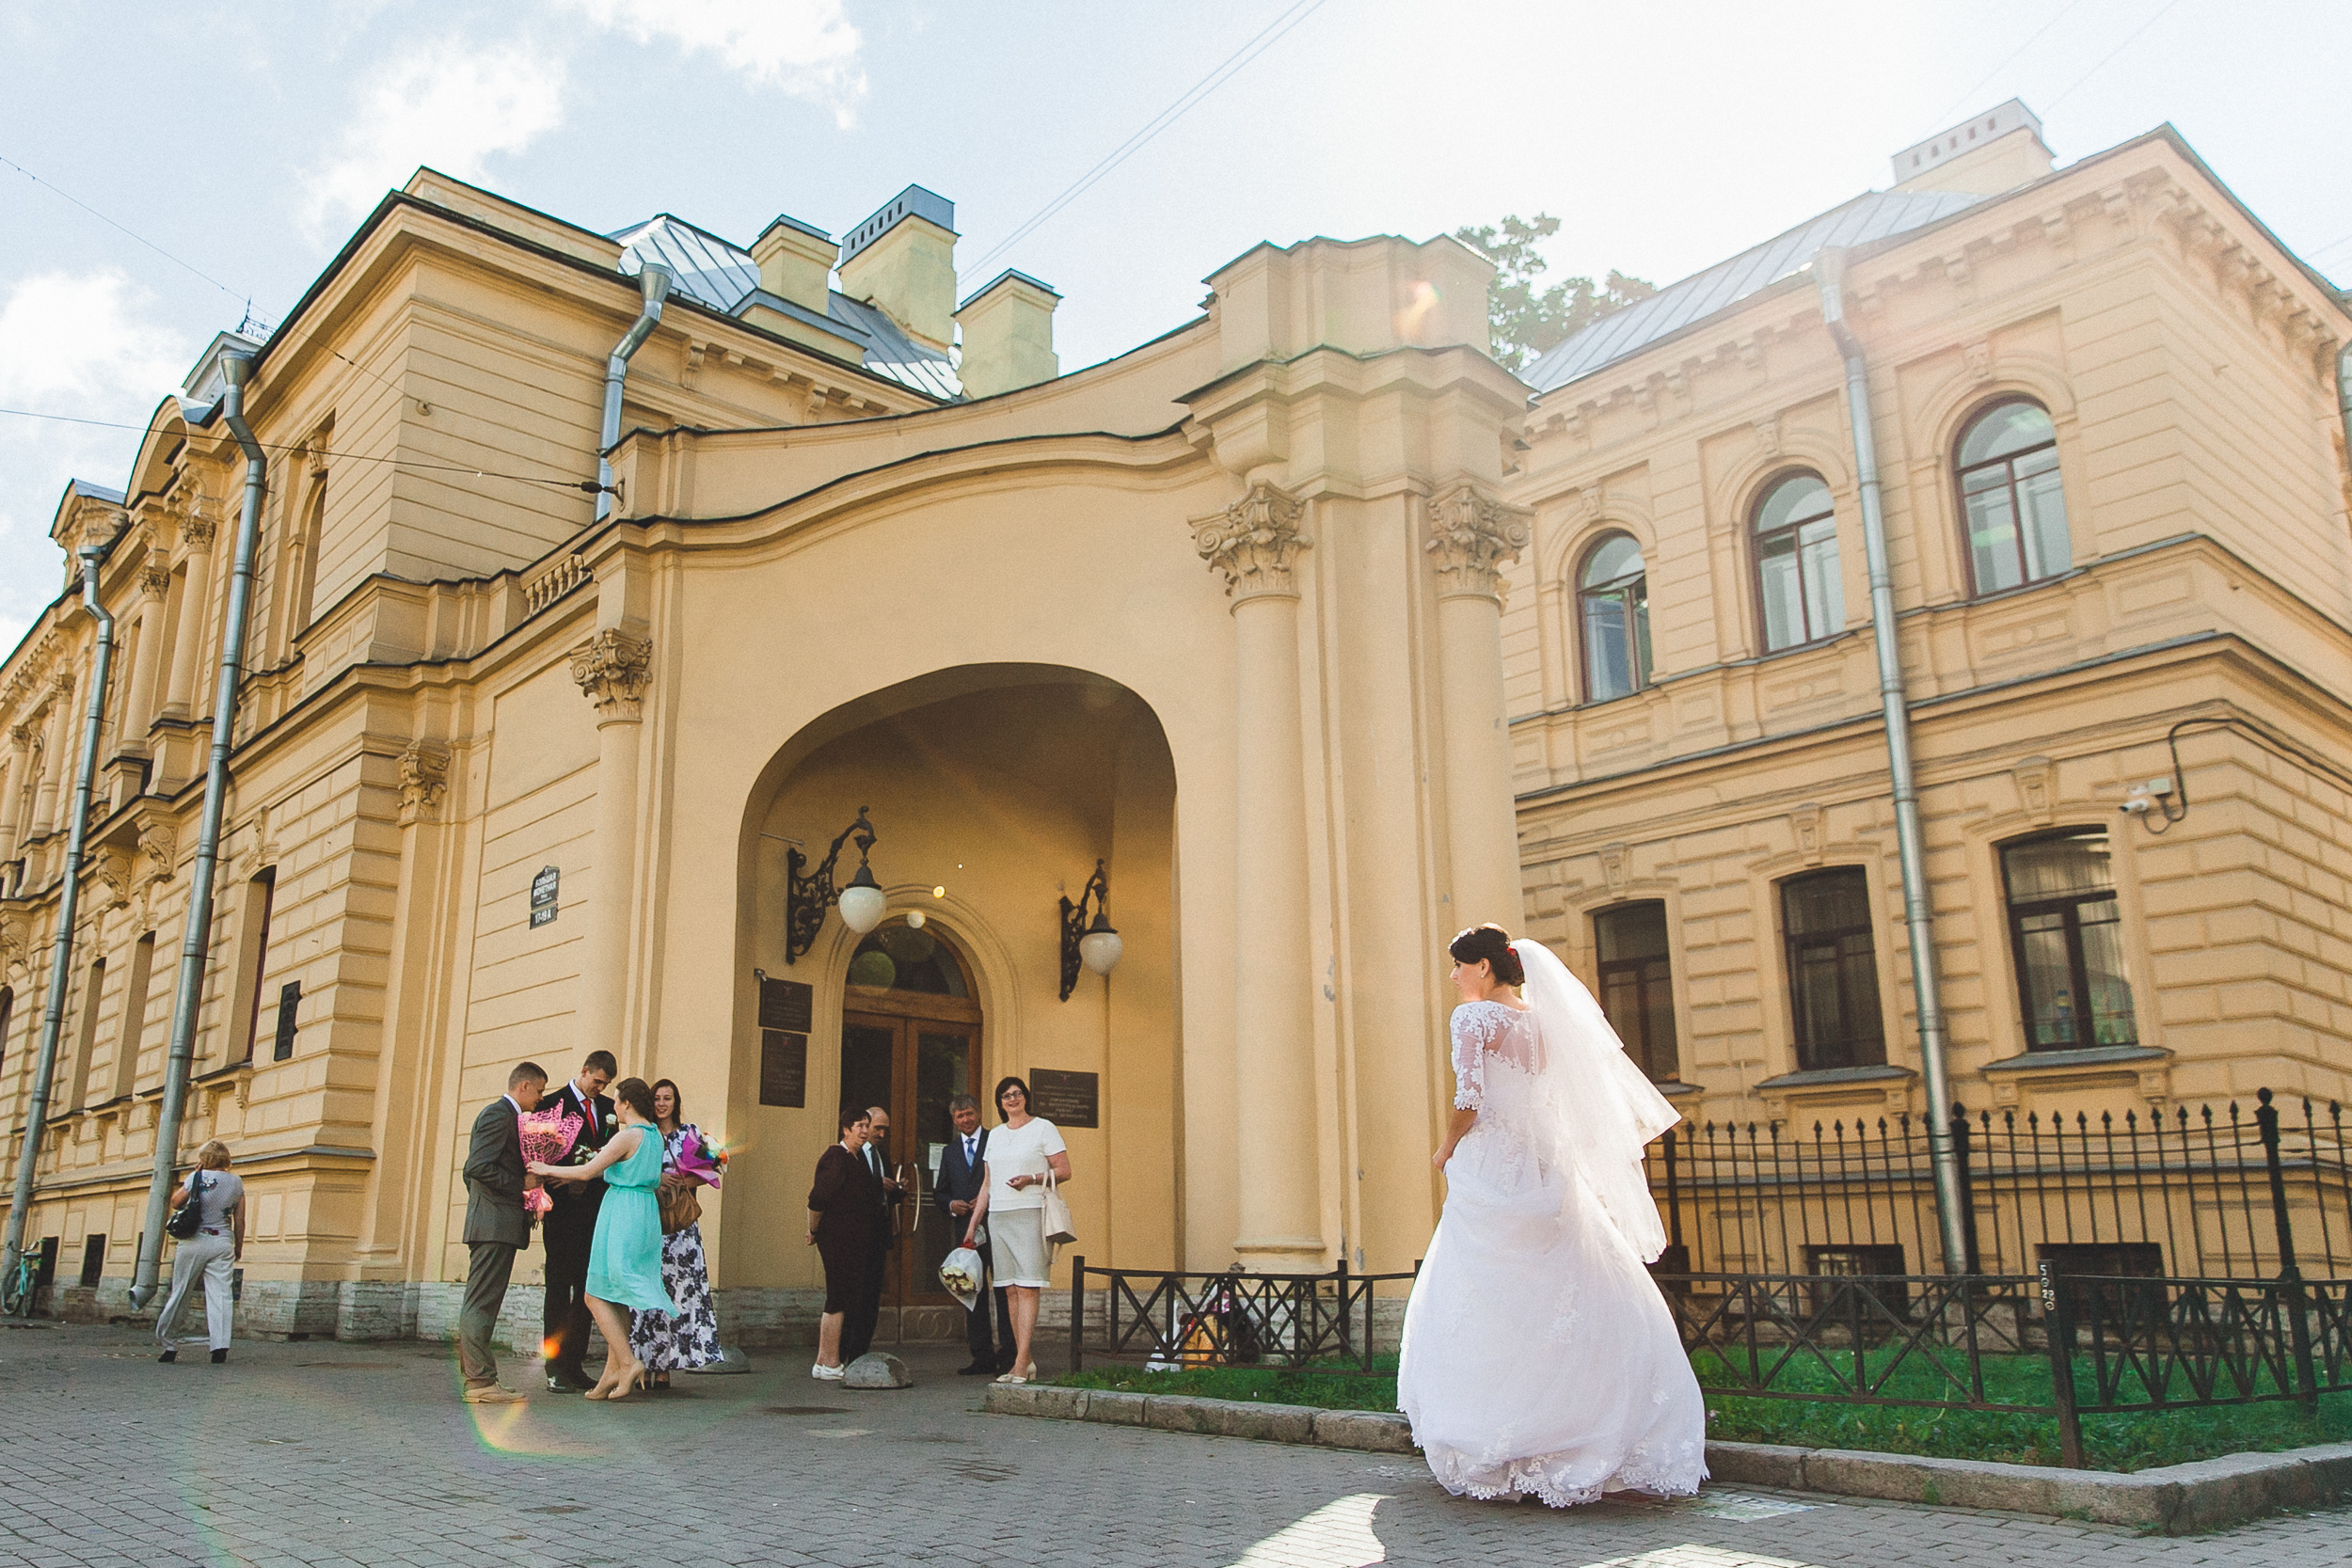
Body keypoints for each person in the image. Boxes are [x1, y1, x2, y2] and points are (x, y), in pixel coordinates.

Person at [1396, 924, 1707, 1507]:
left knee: (1485, 1292)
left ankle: (1499, 1438)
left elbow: (1470, 1099)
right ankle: (1579, 1433)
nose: (1455, 977)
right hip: (1546, 1166)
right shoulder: (1544, 1022)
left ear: (1483, 968)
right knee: (1565, 1283)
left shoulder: (1474, 1019)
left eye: (1459, 966)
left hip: (1494, 1164)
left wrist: (1444, 1148)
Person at [529, 1075, 674, 1400]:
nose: (614, 1106)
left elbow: (585, 1172)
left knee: (594, 1294)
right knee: (617, 1293)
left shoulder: (629, 1136)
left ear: (626, 1104)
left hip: (622, 1211)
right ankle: (611, 1374)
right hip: (644, 1213)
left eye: (618, 1100)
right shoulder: (654, 1136)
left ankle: (628, 1362)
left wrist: (545, 1168)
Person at [959, 1075, 1070, 1386]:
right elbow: (987, 1184)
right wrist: (972, 1227)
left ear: (1025, 1097)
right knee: (1008, 1289)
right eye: (1006, 1095)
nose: (1012, 1099)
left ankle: (1020, 1363)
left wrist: (1031, 1178)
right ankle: (1026, 1359)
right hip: (999, 1217)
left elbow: (1064, 1170)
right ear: (1000, 1102)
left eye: (1017, 1093)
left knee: (1027, 1287)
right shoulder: (993, 1135)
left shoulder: (1043, 1127)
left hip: (1030, 1214)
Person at [626, 1078, 723, 1388]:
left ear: (675, 1102)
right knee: (646, 1293)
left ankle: (665, 1366)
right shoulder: (643, 1134)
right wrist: (657, 1181)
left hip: (680, 1231)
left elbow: (714, 1168)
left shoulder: (690, 1134)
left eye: (668, 1098)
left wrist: (681, 1182)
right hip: (649, 1222)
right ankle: (642, 1362)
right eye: (657, 1098)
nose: (662, 1103)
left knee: (675, 1295)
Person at [457, 1061, 545, 1403]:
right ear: (523, 1086)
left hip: (494, 1221)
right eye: (538, 1091)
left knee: (483, 1302)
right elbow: (476, 1168)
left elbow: (474, 1174)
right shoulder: (498, 1115)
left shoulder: (508, 1118)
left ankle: (482, 1379)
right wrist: (519, 1186)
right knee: (481, 1303)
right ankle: (479, 1383)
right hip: (494, 1225)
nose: (540, 1098)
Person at [538, 1050, 615, 1392]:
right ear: (584, 1071)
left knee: (588, 1289)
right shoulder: (552, 1103)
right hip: (562, 1210)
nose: (600, 1088)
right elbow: (539, 1154)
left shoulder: (610, 1109)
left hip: (594, 1210)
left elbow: (611, 1155)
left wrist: (589, 1178)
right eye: (597, 1081)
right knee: (558, 1288)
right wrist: (570, 1178)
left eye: (606, 1084)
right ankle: (554, 1365)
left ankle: (575, 1362)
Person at [937, 1092, 1015, 1375]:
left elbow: (1005, 1177)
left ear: (979, 1113)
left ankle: (1010, 1356)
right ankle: (982, 1356)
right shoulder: (950, 1152)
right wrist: (950, 1204)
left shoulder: (996, 1139)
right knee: (971, 1292)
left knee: (1005, 1290)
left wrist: (987, 1201)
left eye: (970, 1113)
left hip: (997, 1227)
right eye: (960, 1116)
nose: (966, 1119)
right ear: (954, 1121)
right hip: (966, 1231)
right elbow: (940, 1192)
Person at [805, 1107, 882, 1381]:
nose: (864, 1130)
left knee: (842, 1297)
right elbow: (817, 1200)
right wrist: (813, 1230)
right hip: (837, 1239)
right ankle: (830, 1361)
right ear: (845, 1129)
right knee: (837, 1299)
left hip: (852, 1241)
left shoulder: (857, 1158)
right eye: (859, 1125)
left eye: (866, 1125)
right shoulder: (836, 1157)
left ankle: (823, 1361)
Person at [154, 1140, 245, 1365]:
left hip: (194, 1240)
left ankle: (169, 1345)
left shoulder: (196, 1177)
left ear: (204, 1159)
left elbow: (176, 1203)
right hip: (222, 1240)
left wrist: (194, 1177)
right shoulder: (236, 1182)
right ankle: (219, 1347)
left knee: (181, 1291)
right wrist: (238, 1246)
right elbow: (240, 1218)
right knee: (221, 1295)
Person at [841, 1102, 904, 1364]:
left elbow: (886, 1190)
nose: (881, 1134)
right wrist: (876, 1184)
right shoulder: (849, 1153)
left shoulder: (881, 1155)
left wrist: (899, 1189)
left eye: (884, 1130)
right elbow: (846, 1187)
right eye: (877, 1128)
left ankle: (860, 1352)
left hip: (878, 1234)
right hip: (855, 1235)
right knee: (851, 1296)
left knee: (871, 1297)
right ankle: (843, 1351)